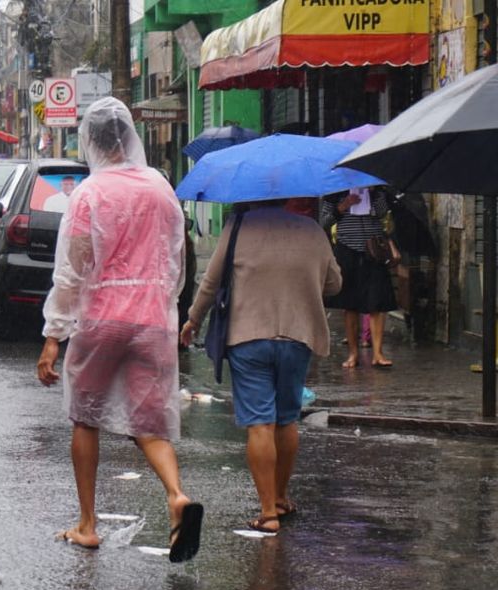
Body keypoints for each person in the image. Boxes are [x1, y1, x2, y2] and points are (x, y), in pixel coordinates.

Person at [37, 98, 203, 561]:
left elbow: (72, 270)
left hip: (102, 318)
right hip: (152, 318)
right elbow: (176, 258)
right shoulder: (159, 187)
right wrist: (164, 309)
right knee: (149, 423)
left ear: (90, 141)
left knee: (84, 416)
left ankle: (88, 524)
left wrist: (54, 336)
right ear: (131, 136)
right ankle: (176, 496)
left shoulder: (90, 194)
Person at [181, 201, 342, 534]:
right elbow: (334, 284)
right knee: (286, 419)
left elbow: (211, 282)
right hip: (298, 336)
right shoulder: (312, 231)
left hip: (248, 337)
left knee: (260, 424)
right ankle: (281, 498)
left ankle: (268, 512)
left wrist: (193, 319)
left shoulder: (238, 228)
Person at [320, 187, 398, 368]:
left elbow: (382, 213)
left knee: (377, 303)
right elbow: (324, 221)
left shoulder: (377, 191)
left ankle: (378, 353)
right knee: (350, 304)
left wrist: (373, 194)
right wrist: (343, 206)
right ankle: (353, 354)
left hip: (374, 250)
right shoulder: (334, 192)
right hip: (347, 249)